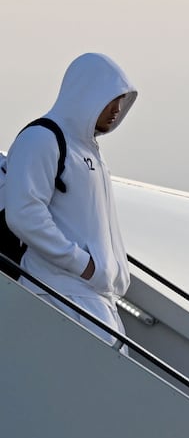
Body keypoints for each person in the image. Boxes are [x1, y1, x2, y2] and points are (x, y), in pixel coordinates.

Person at [4, 53, 137, 339]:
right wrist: (84, 264)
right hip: (59, 294)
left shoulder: (88, 150)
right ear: (87, 93)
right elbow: (24, 213)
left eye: (122, 100)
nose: (117, 108)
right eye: (111, 97)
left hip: (93, 300)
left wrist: (109, 273)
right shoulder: (42, 138)